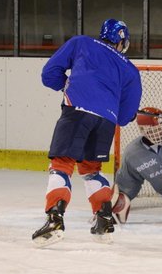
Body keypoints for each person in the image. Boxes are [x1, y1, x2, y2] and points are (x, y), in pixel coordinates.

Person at [32, 19, 142, 246]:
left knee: (61, 164)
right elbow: (124, 117)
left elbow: (49, 74)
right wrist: (126, 113)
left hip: (78, 111)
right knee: (91, 170)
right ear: (122, 42)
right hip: (106, 121)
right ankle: (104, 221)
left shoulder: (81, 42)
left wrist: (68, 85)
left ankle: (54, 219)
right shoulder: (130, 69)